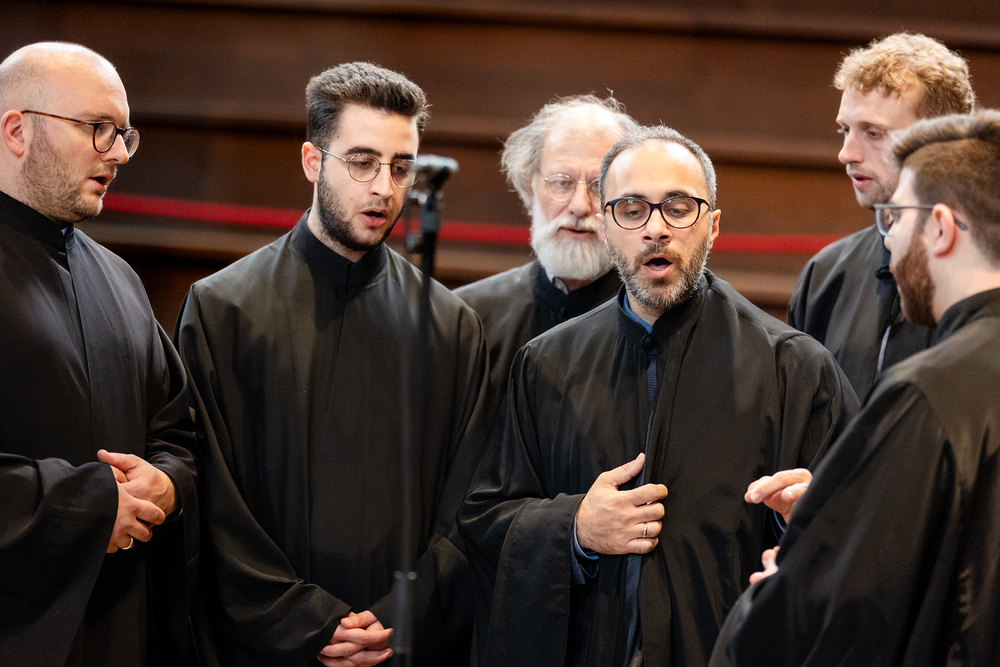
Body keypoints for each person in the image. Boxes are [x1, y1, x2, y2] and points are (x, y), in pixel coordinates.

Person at [458, 125, 858, 667]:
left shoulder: (795, 369)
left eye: (678, 208)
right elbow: (487, 520)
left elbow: (861, 540)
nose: (656, 229)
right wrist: (575, 528)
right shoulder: (546, 365)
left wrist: (801, 521)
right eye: (632, 210)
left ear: (713, 225)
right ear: (605, 226)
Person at [174, 62, 490, 667]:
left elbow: (470, 504)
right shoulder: (224, 309)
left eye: (401, 167)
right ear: (312, 162)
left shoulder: (450, 326)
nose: (384, 188)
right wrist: (307, 622)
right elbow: (211, 497)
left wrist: (399, 618)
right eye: (362, 162)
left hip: (398, 647)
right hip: (263, 647)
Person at [710, 109, 1000, 667]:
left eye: (895, 217)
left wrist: (793, 584)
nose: (888, 241)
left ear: (940, 228)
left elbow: (831, 622)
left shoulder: (926, 394)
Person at [0, 42, 198, 667]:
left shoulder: (120, 279)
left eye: (124, 134)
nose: (118, 153)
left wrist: (166, 482)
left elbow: (178, 433)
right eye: (97, 128)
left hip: (121, 628)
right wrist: (89, 506)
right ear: (16, 131)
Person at [788, 33, 975, 400]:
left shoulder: (987, 276)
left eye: (874, 133)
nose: (846, 154)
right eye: (845, 130)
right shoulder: (823, 276)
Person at [455, 96, 634, 413]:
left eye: (600, 186)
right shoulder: (468, 318)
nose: (579, 206)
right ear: (530, 187)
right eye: (562, 183)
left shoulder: (654, 321)